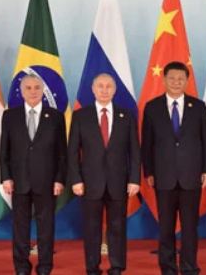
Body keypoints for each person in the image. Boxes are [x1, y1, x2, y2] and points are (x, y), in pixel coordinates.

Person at [142, 61, 206, 275]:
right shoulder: (152, 107)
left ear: (187, 81)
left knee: (190, 227)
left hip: (191, 176)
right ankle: (168, 267)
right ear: (164, 80)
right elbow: (147, 143)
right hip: (163, 177)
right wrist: (149, 171)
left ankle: (189, 267)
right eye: (172, 78)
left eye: (181, 79)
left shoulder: (198, 107)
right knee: (166, 227)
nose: (176, 82)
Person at [68, 73, 140, 275]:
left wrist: (134, 179)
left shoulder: (126, 116)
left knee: (117, 227)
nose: (104, 90)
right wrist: (76, 179)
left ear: (114, 90)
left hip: (119, 182)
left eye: (109, 86)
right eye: (100, 86)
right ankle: (92, 267)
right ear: (93, 89)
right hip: (90, 183)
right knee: (91, 228)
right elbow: (72, 151)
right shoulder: (81, 116)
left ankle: (117, 267)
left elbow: (134, 151)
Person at [0, 73, 67, 275]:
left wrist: (59, 179)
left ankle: (45, 266)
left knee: (46, 227)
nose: (33, 92)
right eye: (28, 88)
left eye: (37, 88)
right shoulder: (10, 116)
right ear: (21, 92)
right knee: (20, 227)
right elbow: (4, 151)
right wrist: (6, 177)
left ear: (43, 91)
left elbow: (62, 153)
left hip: (47, 182)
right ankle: (21, 266)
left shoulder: (55, 116)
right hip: (18, 181)